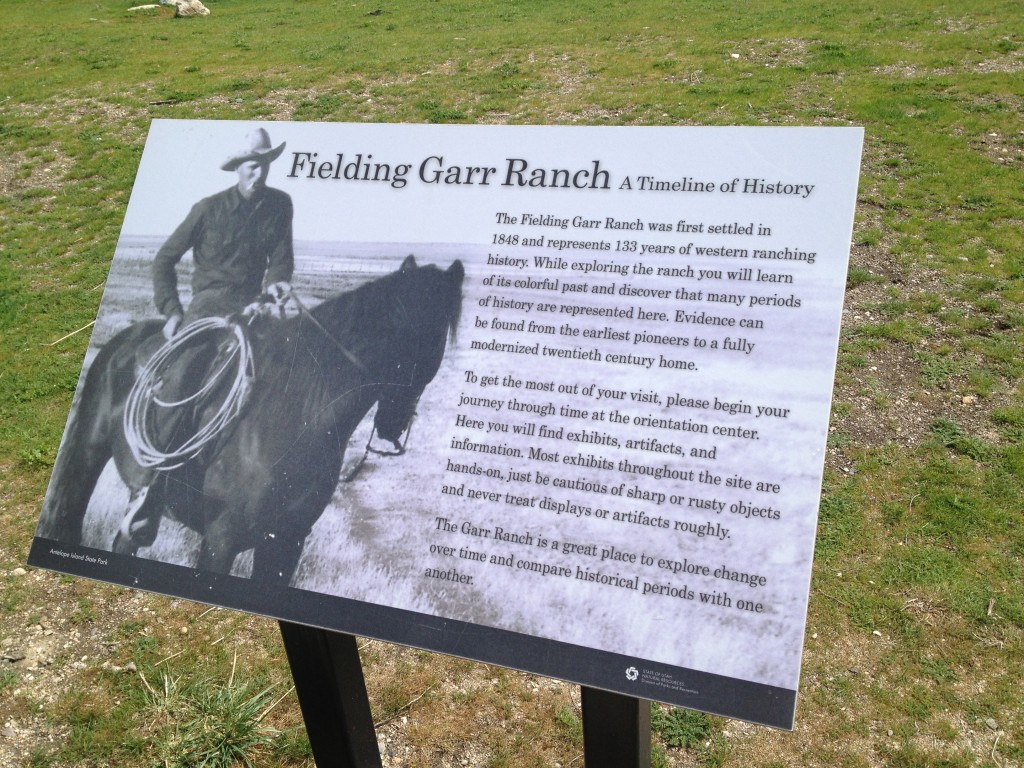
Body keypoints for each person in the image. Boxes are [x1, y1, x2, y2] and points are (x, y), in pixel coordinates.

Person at [153, 127, 295, 338]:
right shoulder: (208, 209)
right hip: (207, 305)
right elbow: (163, 260)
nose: (260, 173)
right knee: (186, 362)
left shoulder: (280, 204)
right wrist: (172, 312)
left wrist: (276, 283)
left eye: (266, 166)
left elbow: (280, 259)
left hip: (254, 304)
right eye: (254, 166)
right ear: (237, 168)